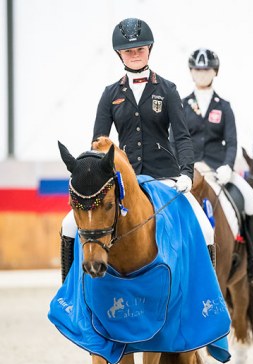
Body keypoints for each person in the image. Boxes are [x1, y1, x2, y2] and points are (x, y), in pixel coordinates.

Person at [59, 18, 214, 281]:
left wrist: (186, 173)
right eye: (129, 51)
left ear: (149, 50)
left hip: (164, 175)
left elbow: (183, 137)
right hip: (124, 178)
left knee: (204, 228)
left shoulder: (167, 89)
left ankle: (205, 293)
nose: (135, 55)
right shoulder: (110, 94)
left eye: (140, 49)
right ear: (120, 53)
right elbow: (98, 143)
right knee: (69, 224)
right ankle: (71, 290)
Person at [181, 48, 253, 281]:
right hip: (189, 173)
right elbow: (175, 141)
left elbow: (232, 141)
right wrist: (183, 168)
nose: (202, 74)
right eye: (198, 70)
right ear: (191, 72)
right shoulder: (181, 105)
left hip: (219, 170)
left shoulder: (224, 106)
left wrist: (228, 165)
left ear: (214, 72)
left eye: (206, 70)